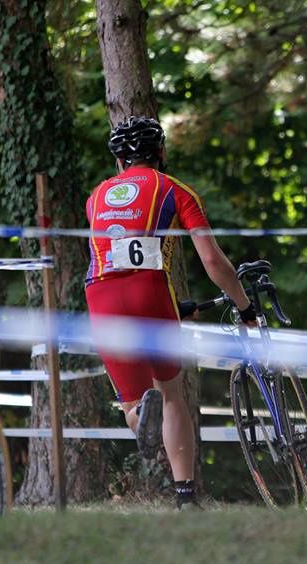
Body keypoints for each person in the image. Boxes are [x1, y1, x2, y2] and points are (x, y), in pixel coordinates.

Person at [85, 115, 255, 510]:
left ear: (118, 161)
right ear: (161, 152)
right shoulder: (174, 188)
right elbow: (212, 261)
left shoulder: (95, 197)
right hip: (150, 290)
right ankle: (185, 496)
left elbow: (112, 259)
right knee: (172, 393)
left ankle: (140, 413)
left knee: (133, 404)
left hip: (101, 295)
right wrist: (244, 306)